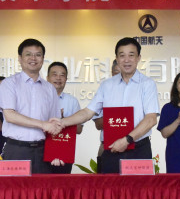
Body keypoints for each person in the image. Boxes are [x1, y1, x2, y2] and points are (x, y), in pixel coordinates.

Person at [59, 37, 159, 173]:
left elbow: (151, 119)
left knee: (139, 187)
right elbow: (87, 112)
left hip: (139, 149)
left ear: (138, 58)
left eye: (131, 55)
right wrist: (62, 122)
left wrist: (127, 140)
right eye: (122, 55)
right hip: (112, 148)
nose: (127, 60)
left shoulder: (148, 84)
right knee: (110, 187)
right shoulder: (107, 85)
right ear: (117, 59)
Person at [0, 38, 62, 173]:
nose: (33, 58)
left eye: (38, 55)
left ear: (43, 59)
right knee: (14, 188)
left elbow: (54, 123)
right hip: (16, 150)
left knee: (43, 187)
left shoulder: (49, 88)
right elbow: (10, 116)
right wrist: (42, 124)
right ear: (20, 58)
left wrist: (56, 151)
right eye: (28, 54)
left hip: (43, 151)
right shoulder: (9, 84)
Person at [47, 61, 82, 173]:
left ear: (66, 79)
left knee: (63, 183)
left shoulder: (72, 101)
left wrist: (64, 121)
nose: (58, 78)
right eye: (54, 74)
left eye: (62, 75)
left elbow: (79, 130)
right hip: (42, 151)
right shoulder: (40, 99)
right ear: (47, 78)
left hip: (64, 152)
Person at [93, 59, 120, 157]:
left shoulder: (139, 90)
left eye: (124, 73)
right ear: (112, 73)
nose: (120, 76)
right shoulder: (104, 89)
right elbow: (98, 124)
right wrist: (119, 114)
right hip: (107, 146)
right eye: (116, 72)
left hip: (133, 146)